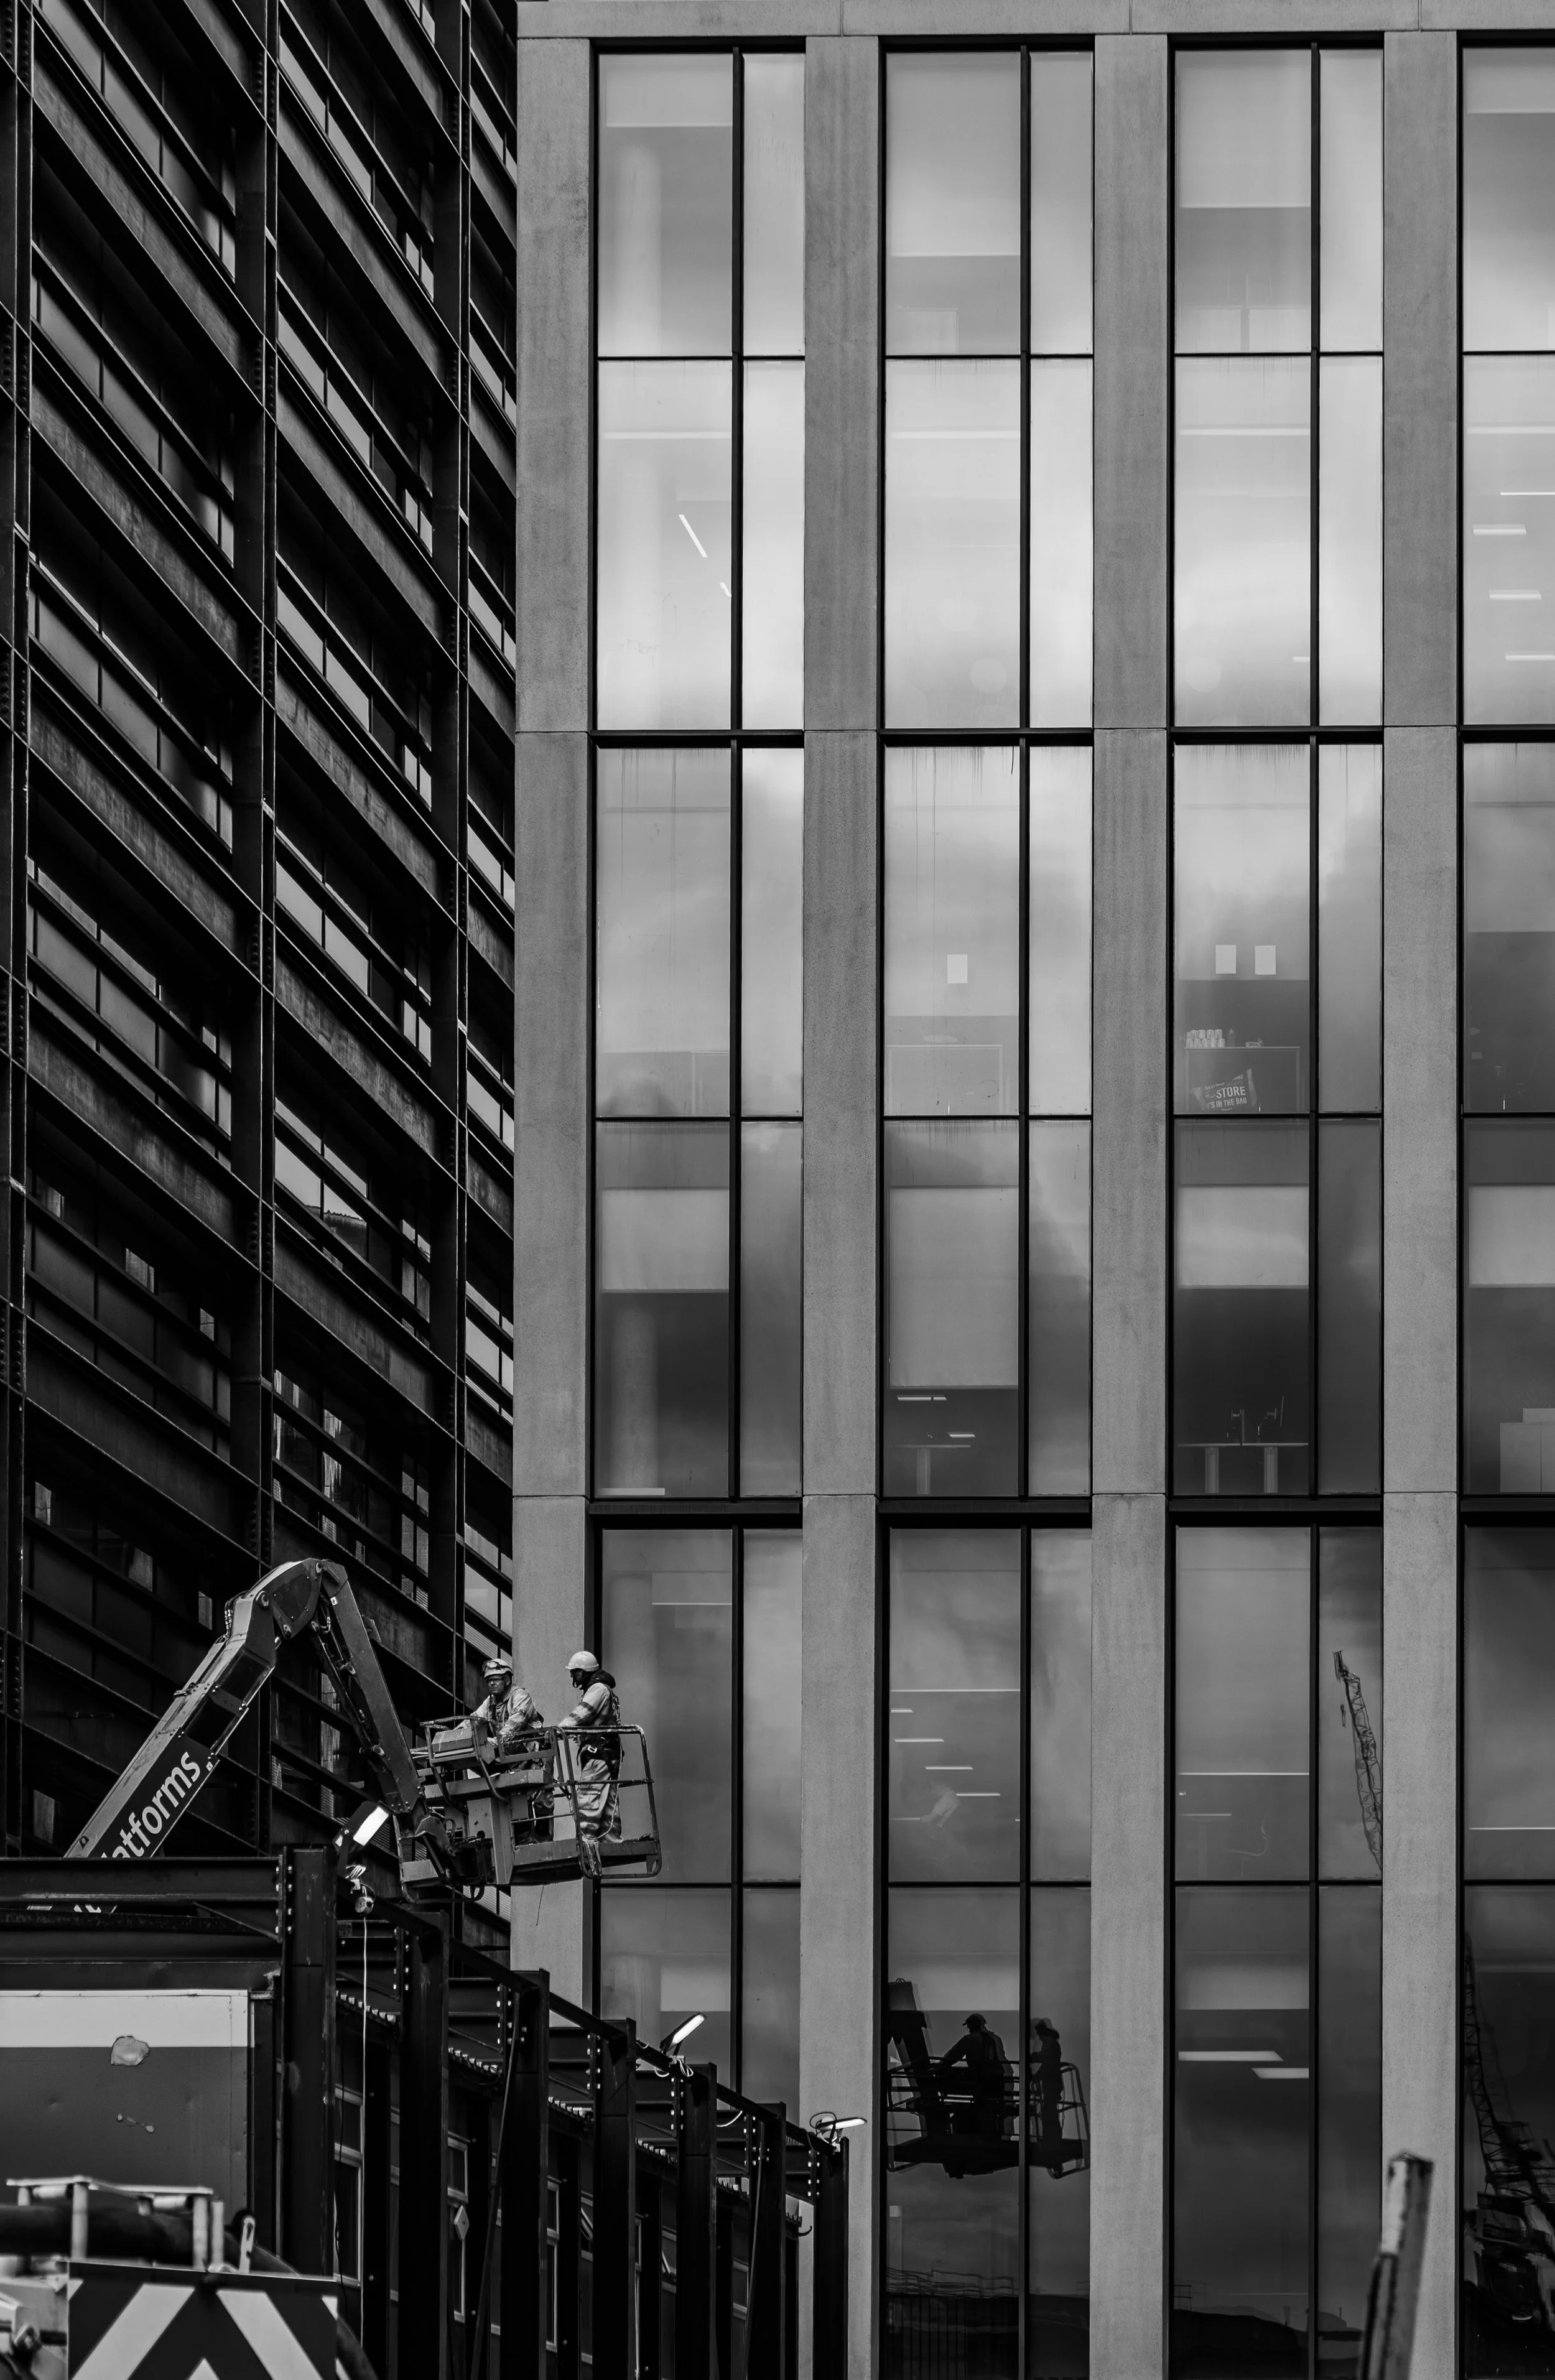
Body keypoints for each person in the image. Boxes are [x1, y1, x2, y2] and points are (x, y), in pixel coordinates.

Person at [557, 1650, 622, 1862]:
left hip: (600, 1753)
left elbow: (581, 1714)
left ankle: (585, 1840)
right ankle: (610, 1838)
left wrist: (560, 1729)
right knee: (608, 1799)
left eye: (575, 1673)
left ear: (584, 1672)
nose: (572, 1677)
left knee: (589, 1795)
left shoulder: (598, 1689)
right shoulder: (599, 1688)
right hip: (607, 1752)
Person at [937, 2012, 1012, 2147]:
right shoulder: (996, 2038)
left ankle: (985, 2140)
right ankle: (996, 2139)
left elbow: (953, 2056)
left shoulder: (971, 2039)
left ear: (971, 2026)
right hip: (999, 2080)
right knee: (995, 2109)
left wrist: (939, 2068)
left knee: (984, 2109)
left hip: (983, 2081)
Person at [472, 1655, 543, 1757]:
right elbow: (473, 1720)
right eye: (489, 1680)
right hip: (512, 1755)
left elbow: (514, 1726)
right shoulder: (490, 1703)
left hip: (535, 1756)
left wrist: (494, 1742)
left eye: (495, 1679)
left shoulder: (520, 1696)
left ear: (507, 1680)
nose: (491, 1683)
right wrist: (454, 1734)